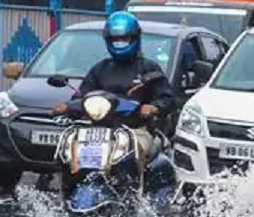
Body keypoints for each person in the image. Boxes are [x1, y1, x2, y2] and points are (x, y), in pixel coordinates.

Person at [51, 11, 175, 162]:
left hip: (136, 129)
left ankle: (134, 184)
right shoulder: (100, 68)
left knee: (135, 150)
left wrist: (153, 108)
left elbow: (167, 99)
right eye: (115, 39)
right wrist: (67, 107)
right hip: (98, 131)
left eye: (124, 38)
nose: (119, 42)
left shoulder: (149, 68)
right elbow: (82, 96)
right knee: (69, 150)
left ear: (135, 38)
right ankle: (64, 182)